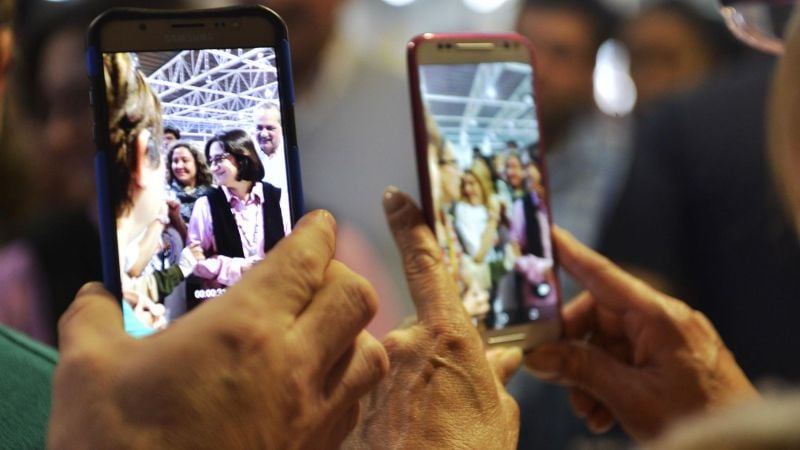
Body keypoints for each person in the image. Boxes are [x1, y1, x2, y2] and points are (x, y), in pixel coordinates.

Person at [187, 129, 285, 294]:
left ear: (242, 157)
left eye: (219, 159)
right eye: (210, 161)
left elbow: (294, 247)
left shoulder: (279, 198)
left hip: (278, 296)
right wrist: (238, 268)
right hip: (230, 303)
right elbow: (194, 259)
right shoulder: (205, 204)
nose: (213, 168)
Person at [167, 140, 214, 224]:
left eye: (185, 160)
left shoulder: (212, 195)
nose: (179, 166)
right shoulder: (165, 195)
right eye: (175, 161)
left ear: (197, 163)